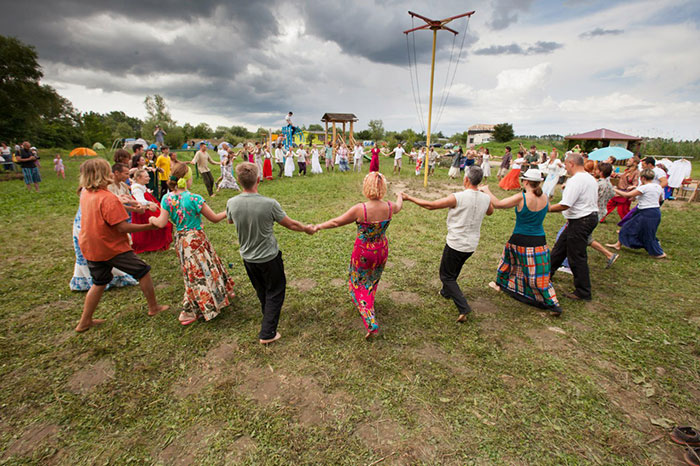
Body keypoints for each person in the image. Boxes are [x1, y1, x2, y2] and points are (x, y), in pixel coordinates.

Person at [74, 158, 168, 333]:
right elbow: (122, 227)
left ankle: (84, 321)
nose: (111, 173)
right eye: (108, 170)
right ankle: (153, 307)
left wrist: (128, 204)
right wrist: (149, 226)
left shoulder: (86, 193)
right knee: (143, 271)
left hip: (90, 246)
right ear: (102, 174)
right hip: (110, 246)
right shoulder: (107, 198)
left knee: (99, 281)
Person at [226, 162, 316, 344]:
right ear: (258, 179)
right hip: (268, 256)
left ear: (238, 181)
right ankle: (267, 332)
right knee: (275, 289)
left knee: (262, 288)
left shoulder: (231, 203)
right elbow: (290, 224)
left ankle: (267, 313)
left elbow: (230, 221)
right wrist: (306, 228)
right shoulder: (269, 204)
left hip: (248, 258)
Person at [314, 172, 403, 338]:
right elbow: (399, 206)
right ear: (383, 188)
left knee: (357, 283)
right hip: (381, 250)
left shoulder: (360, 209)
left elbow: (336, 222)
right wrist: (400, 196)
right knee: (373, 278)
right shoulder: (390, 207)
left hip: (363, 252)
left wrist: (318, 226)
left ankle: (370, 318)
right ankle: (370, 302)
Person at [402, 166, 494, 321]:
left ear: (466, 179)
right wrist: (484, 195)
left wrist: (409, 198)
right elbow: (490, 211)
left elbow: (430, 205)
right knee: (454, 269)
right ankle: (446, 292)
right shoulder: (486, 198)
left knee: (446, 276)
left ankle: (463, 308)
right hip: (471, 244)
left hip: (456, 243)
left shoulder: (458, 197)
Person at [151, 163, 235, 324]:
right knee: (202, 271)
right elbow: (215, 218)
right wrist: (230, 209)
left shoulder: (166, 198)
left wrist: (152, 219)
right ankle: (189, 310)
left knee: (195, 271)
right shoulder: (194, 198)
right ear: (187, 180)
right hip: (197, 239)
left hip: (182, 241)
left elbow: (161, 223)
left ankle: (221, 293)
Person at [479, 169, 562, 316]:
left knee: (507, 264)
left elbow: (498, 204)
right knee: (537, 274)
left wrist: (486, 190)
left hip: (520, 238)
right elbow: (548, 209)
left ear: (526, 182)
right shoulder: (545, 197)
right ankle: (550, 301)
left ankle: (500, 284)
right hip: (539, 240)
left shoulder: (522, 197)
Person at [548, 152, 599, 301]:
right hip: (584, 218)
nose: (565, 168)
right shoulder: (589, 178)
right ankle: (545, 276)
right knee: (559, 249)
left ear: (571, 163)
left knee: (576, 256)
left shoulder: (576, 180)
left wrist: (547, 208)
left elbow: (565, 204)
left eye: (566, 164)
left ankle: (583, 291)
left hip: (581, 220)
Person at [70, 188, 139, 292]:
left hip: (88, 225)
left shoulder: (89, 191)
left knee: (100, 261)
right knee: (141, 270)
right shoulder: (95, 192)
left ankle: (104, 279)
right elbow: (121, 225)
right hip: (91, 226)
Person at [606, 169, 666, 259]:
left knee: (648, 234)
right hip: (653, 211)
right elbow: (660, 199)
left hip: (647, 213)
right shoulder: (658, 187)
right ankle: (618, 244)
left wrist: (614, 189)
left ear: (642, 178)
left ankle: (659, 253)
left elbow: (627, 196)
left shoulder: (644, 188)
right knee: (627, 226)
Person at [130, 168, 173, 254]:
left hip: (148, 209)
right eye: (146, 177)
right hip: (145, 211)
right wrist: (150, 203)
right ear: (139, 178)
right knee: (163, 225)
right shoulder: (136, 188)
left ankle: (158, 243)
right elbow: (140, 200)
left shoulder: (140, 186)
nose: (149, 178)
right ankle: (156, 244)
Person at [605, 156, 639, 221]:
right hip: (619, 192)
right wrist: (615, 175)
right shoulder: (628, 170)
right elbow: (622, 176)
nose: (627, 162)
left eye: (629, 161)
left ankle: (628, 222)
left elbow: (635, 183)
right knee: (609, 205)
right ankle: (600, 217)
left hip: (625, 194)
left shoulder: (635, 173)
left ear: (634, 163)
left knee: (623, 210)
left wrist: (633, 193)